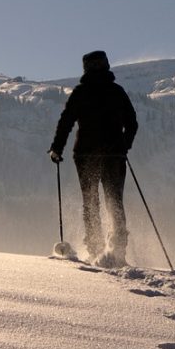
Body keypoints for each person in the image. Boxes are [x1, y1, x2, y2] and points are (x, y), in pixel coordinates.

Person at [49, 50, 138, 267]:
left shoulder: (80, 93)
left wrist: (56, 149)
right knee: (114, 201)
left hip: (85, 155)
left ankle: (96, 249)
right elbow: (132, 123)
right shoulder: (117, 92)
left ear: (85, 68)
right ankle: (117, 252)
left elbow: (66, 122)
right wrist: (123, 145)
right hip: (114, 155)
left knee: (90, 202)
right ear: (106, 65)